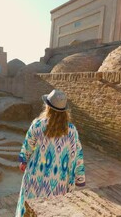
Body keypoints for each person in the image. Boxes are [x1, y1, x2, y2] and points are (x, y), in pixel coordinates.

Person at [16, 89, 85, 217]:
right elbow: (77, 154)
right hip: (59, 179)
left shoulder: (37, 124)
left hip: (36, 174)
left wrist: (23, 161)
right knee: (53, 210)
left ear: (47, 106)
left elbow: (28, 145)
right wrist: (78, 177)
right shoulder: (71, 130)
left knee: (30, 206)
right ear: (64, 110)